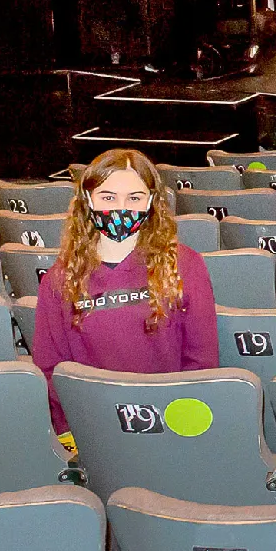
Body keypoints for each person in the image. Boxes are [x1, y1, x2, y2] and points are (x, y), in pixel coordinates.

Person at [31, 148, 218, 435]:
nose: (121, 208)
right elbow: (51, 370)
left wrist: (182, 428)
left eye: (134, 198)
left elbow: (202, 363)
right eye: (108, 198)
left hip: (168, 425)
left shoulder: (186, 265)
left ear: (151, 201)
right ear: (88, 200)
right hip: (95, 430)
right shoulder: (59, 279)